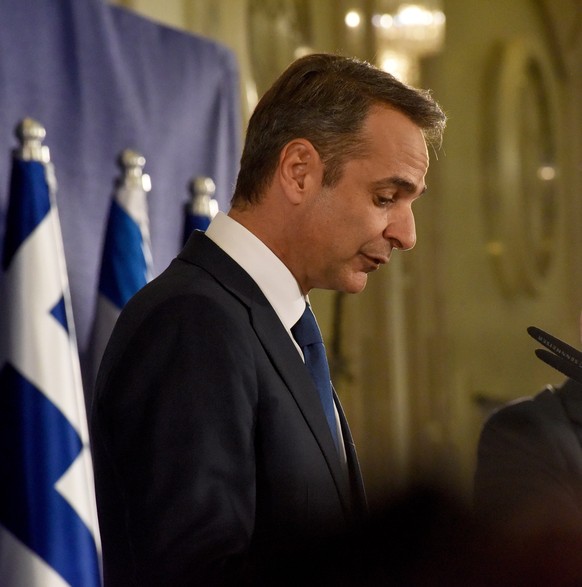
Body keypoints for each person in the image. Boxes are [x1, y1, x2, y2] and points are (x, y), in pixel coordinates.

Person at [90, 52, 446, 586]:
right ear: (299, 172)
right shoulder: (193, 324)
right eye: (385, 197)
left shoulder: (280, 330)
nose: (407, 233)